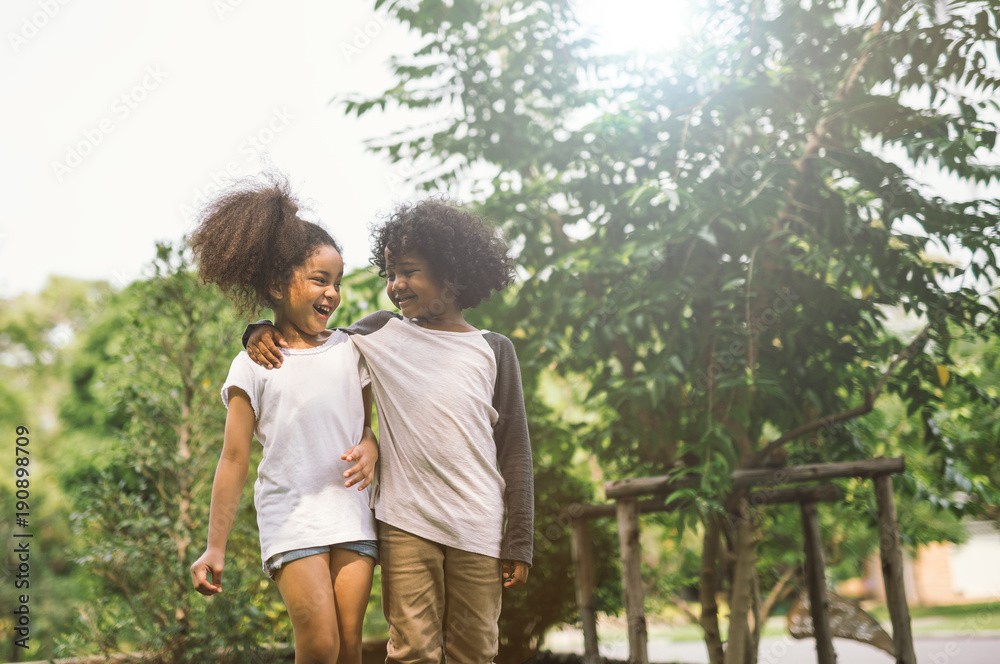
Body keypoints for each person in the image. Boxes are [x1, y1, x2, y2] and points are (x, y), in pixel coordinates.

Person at [245, 199, 534, 664]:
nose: (395, 285)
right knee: (413, 650)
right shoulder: (379, 333)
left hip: (478, 527)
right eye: (390, 273)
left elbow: (515, 452)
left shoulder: (494, 350)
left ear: (452, 274)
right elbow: (311, 337)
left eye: (409, 272)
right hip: (406, 525)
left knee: (475, 651)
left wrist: (518, 539)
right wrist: (258, 329)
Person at [187, 173, 379, 664]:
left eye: (337, 282)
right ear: (277, 284)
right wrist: (215, 548)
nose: (332, 293)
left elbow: (368, 425)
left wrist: (372, 444)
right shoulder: (252, 362)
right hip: (290, 519)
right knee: (319, 644)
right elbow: (232, 460)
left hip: (352, 514)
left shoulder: (353, 349)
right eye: (320, 280)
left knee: (351, 646)